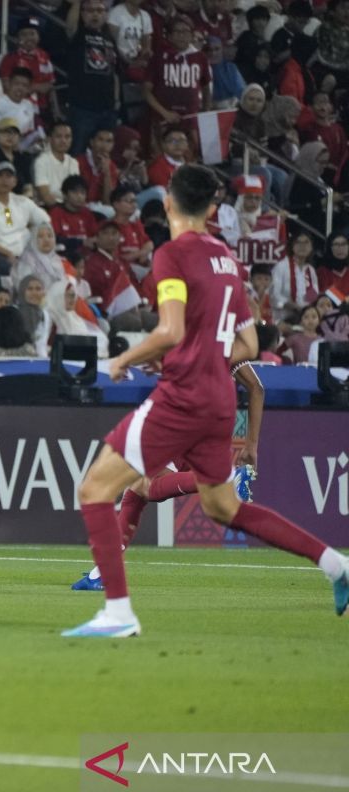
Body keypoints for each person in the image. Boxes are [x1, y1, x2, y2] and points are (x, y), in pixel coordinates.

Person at [65, 164, 349, 638]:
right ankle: (336, 564)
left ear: (170, 204)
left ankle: (117, 612)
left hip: (183, 397)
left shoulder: (172, 255)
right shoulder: (226, 259)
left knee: (94, 489)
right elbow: (251, 346)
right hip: (220, 398)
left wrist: (125, 359)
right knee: (224, 508)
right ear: (214, 209)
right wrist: (204, 355)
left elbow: (170, 330)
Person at [72, 361, 263, 591]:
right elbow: (256, 388)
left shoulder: (193, 340)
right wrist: (251, 445)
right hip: (214, 429)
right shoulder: (231, 346)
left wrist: (132, 359)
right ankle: (103, 573)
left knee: (143, 487)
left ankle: (224, 478)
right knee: (137, 490)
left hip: (183, 420)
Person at [0, 162, 50, 270]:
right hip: (1, 254)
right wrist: (8, 254)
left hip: (28, 252)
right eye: (0, 176)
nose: (4, 180)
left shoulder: (22, 201)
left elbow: (45, 221)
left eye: (8, 176)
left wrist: (33, 233)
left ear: (15, 181)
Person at [33, 121, 79, 206]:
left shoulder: (73, 162)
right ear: (50, 139)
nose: (63, 140)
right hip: (48, 207)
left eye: (67, 137)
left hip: (70, 208)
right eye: (59, 136)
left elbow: (76, 192)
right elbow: (45, 196)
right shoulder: (41, 161)